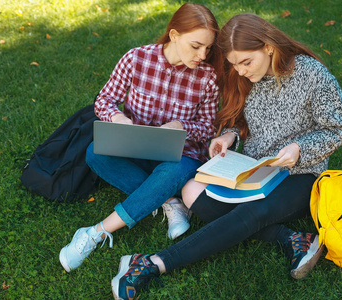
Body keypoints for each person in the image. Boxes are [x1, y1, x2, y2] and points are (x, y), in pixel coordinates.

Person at [111, 13, 342, 300]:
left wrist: (300, 148)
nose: (240, 71)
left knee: (253, 213)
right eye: (234, 64)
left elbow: (338, 130)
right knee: (190, 189)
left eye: (246, 62)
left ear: (269, 47)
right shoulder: (245, 77)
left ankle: (153, 263)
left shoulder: (314, 76)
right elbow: (240, 122)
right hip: (251, 170)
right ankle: (291, 239)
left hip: (300, 174)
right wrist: (229, 136)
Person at [59, 3, 221, 273]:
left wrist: (181, 126)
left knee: (177, 169)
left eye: (208, 48)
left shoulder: (207, 78)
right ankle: (170, 200)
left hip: (179, 158)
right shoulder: (136, 59)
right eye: (196, 46)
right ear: (173, 35)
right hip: (135, 149)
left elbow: (207, 128)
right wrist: (118, 118)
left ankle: (95, 232)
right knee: (94, 153)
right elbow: (105, 100)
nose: (203, 55)